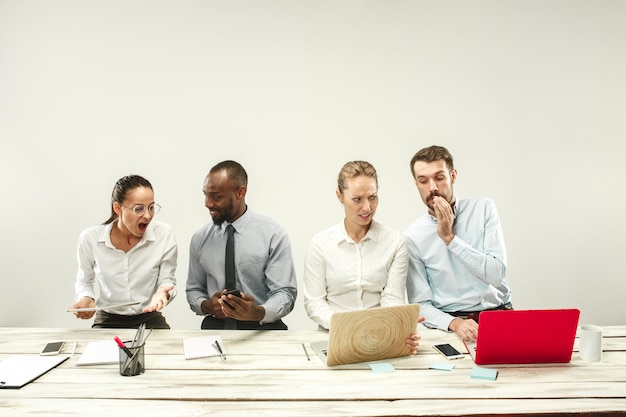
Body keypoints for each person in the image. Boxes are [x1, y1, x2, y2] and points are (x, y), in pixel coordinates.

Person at [303, 161, 424, 354]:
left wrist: (399, 324)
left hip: (380, 337)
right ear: (339, 196)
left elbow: (392, 297)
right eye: (357, 199)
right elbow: (314, 303)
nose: (367, 207)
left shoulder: (395, 241)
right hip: (334, 337)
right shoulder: (321, 243)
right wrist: (349, 328)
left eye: (373, 197)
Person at [405, 145, 512, 342]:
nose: (433, 188)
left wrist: (450, 238)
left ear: (452, 176)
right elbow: (420, 304)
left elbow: (497, 275)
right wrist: (454, 324)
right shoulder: (412, 236)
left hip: (500, 316)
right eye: (423, 181)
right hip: (452, 326)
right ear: (416, 183)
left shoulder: (483, 209)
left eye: (439, 177)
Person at [186, 160, 297, 330]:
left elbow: (285, 293)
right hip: (215, 327)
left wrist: (256, 313)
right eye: (206, 195)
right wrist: (207, 306)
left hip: (262, 327)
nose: (207, 203)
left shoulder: (273, 235)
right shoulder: (200, 239)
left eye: (216, 197)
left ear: (240, 192)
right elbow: (194, 289)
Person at [69, 175, 177, 329]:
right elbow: (84, 280)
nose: (147, 215)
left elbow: (167, 280)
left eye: (151, 207)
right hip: (108, 318)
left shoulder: (164, 233)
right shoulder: (90, 238)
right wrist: (86, 298)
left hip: (149, 316)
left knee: (167, 351)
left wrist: (163, 293)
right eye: (138, 209)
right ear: (118, 208)